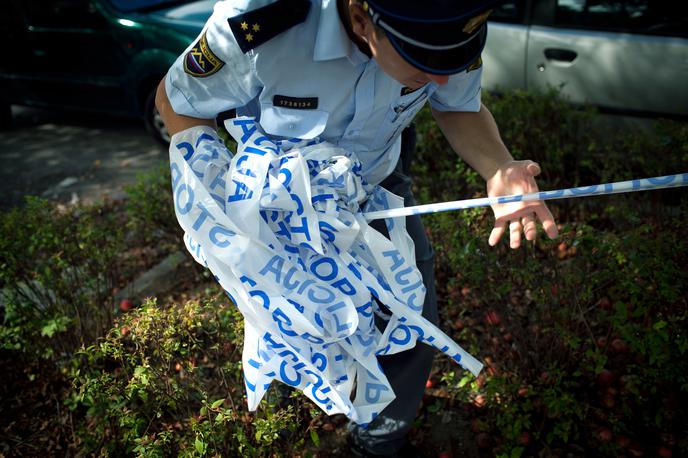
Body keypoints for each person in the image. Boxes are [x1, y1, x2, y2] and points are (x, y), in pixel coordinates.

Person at [156, 0, 559, 456]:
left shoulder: (443, 23)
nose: (442, 76)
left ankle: (377, 443)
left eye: (450, 61)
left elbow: (458, 104)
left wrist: (498, 167)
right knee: (286, 317)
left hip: (377, 185)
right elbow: (177, 102)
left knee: (410, 314)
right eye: (422, 61)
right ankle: (288, 405)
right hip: (277, 207)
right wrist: (225, 206)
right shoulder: (263, 21)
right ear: (362, 19)